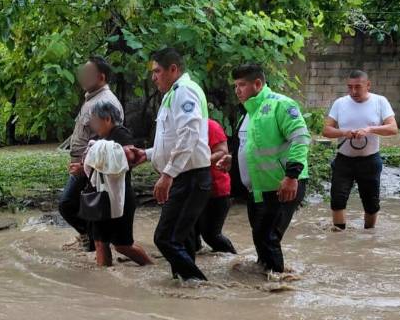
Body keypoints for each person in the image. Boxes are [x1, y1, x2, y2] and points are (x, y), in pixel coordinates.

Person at [128, 48, 212, 282]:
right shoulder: (173, 94)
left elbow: (189, 134)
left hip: (190, 177)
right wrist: (145, 154)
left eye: (157, 71)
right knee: (181, 240)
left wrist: (167, 174)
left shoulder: (183, 91)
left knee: (166, 238)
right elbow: (174, 142)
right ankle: (184, 290)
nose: (153, 77)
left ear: (173, 69)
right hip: (185, 176)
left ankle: (200, 286)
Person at [232, 63, 310, 274]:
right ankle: (264, 276)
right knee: (260, 237)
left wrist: (292, 176)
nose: (237, 90)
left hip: (283, 185)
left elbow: (300, 138)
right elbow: (251, 148)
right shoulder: (247, 113)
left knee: (268, 236)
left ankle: (278, 285)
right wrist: (230, 160)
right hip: (257, 189)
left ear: (258, 84)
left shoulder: (281, 105)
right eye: (235, 86)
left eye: (242, 85)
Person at [59, 56, 124, 251]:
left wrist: (86, 165)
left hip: (92, 167)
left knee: (67, 204)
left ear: (101, 77)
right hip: (84, 164)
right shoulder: (92, 99)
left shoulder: (105, 102)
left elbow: (113, 140)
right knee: (85, 205)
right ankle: (92, 241)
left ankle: (92, 240)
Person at [323, 70, 399, 230]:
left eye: (358, 87)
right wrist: (344, 132)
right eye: (349, 87)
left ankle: (369, 237)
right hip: (344, 160)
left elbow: (393, 128)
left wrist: (370, 129)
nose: (353, 92)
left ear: (368, 85)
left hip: (370, 160)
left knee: (371, 204)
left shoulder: (380, 101)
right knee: (337, 201)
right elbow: (326, 130)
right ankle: (339, 237)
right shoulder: (340, 103)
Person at [85, 101, 154, 268]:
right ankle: (104, 280)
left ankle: (151, 267)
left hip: (118, 197)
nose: (92, 125)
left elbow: (126, 161)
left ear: (107, 119)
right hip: (101, 196)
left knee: (122, 245)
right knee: (100, 241)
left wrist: (97, 153)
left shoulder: (121, 135)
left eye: (95, 121)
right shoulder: (100, 138)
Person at [194, 119, 237, 254]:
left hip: (216, 189)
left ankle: (233, 260)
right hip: (193, 189)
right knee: (188, 231)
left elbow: (222, 152)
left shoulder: (210, 125)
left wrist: (195, 163)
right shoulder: (179, 126)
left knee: (211, 235)